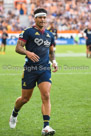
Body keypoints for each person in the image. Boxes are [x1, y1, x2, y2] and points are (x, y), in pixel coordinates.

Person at [9, 8, 58, 136]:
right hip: (30, 69)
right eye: (40, 17)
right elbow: (18, 47)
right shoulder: (28, 32)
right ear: (35, 18)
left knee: (46, 95)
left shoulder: (50, 35)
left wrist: (54, 62)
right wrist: (27, 52)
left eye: (44, 17)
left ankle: (46, 127)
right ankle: (14, 113)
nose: (42, 19)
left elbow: (51, 51)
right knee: (25, 99)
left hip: (44, 69)